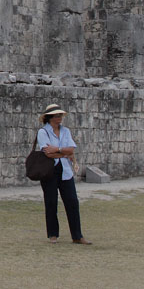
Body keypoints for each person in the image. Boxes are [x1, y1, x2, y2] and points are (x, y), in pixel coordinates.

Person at [36, 103, 92, 244]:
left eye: (60, 115)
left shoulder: (65, 131)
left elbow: (71, 149)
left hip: (65, 170)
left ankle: (77, 235)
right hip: (50, 170)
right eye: (56, 115)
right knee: (51, 201)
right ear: (50, 117)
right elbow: (48, 153)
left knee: (72, 201)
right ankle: (53, 234)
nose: (59, 118)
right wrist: (64, 153)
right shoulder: (43, 132)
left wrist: (58, 149)